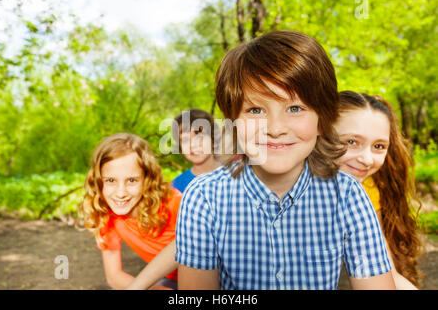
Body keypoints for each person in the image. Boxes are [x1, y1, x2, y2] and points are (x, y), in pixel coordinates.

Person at [175, 29, 395, 290]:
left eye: (295, 108)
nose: (275, 128)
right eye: (255, 110)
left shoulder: (347, 195)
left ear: (321, 121)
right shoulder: (203, 197)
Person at [335, 90, 424, 289]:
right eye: (351, 142)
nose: (366, 160)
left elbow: (385, 274)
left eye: (378, 146)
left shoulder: (364, 190)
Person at [79, 133, 180, 290]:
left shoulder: (175, 203)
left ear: (147, 179)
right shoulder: (106, 215)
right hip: (167, 282)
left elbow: (189, 245)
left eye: (131, 180)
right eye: (111, 181)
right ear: (99, 181)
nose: (121, 193)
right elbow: (114, 277)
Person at [171, 108, 220, 193]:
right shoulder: (177, 186)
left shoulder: (237, 175)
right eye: (185, 140)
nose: (192, 145)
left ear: (214, 141)